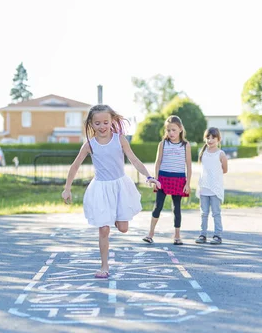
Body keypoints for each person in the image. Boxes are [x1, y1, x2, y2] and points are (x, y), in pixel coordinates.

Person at [61, 104, 160, 278]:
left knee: (123, 228)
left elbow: (134, 160)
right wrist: (67, 188)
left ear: (112, 121)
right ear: (91, 124)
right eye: (97, 123)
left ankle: (114, 217)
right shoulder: (89, 144)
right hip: (101, 188)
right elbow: (75, 166)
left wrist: (149, 177)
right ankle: (104, 266)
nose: (102, 126)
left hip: (120, 186)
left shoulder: (119, 139)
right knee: (103, 229)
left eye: (105, 122)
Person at [142, 115, 192, 245]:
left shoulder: (186, 145)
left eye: (174, 130)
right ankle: (150, 234)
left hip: (179, 179)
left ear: (180, 129)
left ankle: (177, 236)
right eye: (168, 130)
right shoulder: (163, 144)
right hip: (163, 179)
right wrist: (155, 180)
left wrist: (188, 183)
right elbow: (158, 162)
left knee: (177, 208)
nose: (171, 133)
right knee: (158, 206)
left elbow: (189, 165)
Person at [195, 127, 228, 245]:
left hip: (215, 189)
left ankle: (217, 235)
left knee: (216, 213)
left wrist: (214, 178)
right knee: (203, 213)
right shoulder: (203, 152)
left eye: (213, 138)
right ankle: (202, 234)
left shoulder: (221, 154)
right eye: (208, 138)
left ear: (218, 139)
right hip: (204, 188)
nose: (210, 140)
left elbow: (224, 170)